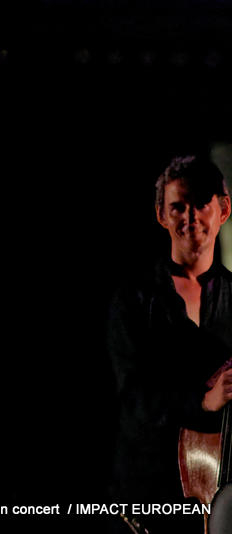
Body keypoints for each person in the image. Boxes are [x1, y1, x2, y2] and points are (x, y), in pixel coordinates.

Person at [107, 154, 232, 533]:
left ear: (224, 210)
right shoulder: (133, 299)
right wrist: (203, 401)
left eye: (202, 203)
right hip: (149, 494)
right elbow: (132, 398)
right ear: (161, 214)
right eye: (179, 206)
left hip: (219, 487)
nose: (190, 217)